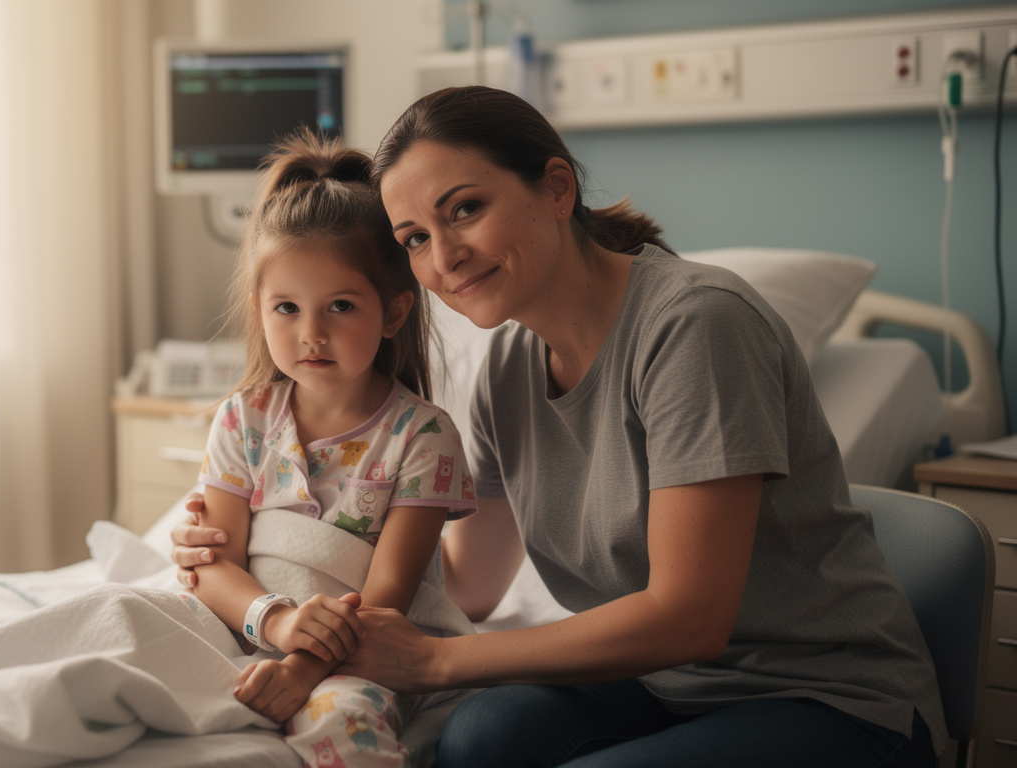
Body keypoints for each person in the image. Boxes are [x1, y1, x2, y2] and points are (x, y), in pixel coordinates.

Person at [171, 86, 945, 768]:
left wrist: (436, 664)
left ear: (556, 188)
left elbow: (692, 618)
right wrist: (278, 553)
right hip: (659, 687)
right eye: (413, 239)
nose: (444, 257)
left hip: (823, 697)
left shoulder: (697, 327)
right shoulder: (506, 373)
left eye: (465, 209)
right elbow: (471, 586)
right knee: (478, 738)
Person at [189, 129, 477, 767]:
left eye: (340, 306)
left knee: (341, 719)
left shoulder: (423, 438)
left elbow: (385, 601)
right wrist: (277, 622)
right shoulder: (243, 421)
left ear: (394, 314)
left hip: (361, 651)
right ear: (260, 311)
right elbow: (212, 564)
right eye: (286, 307)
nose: (310, 334)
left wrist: (301, 667)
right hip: (252, 624)